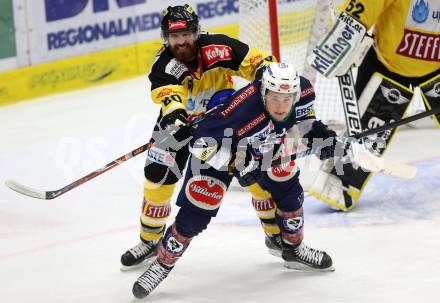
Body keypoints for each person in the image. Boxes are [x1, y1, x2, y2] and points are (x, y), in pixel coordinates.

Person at [131, 62, 339, 299]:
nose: (281, 106)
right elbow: (199, 145)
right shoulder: (238, 111)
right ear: (262, 92)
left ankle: (294, 249)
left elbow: (303, 122)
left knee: (289, 189)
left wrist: (323, 137)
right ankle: (162, 265)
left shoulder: (303, 91)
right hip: (218, 152)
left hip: (263, 146)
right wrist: (238, 163)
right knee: (195, 213)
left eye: (286, 98)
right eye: (274, 98)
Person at [120, 4, 279, 271]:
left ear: (195, 32)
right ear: (166, 37)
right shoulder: (163, 64)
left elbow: (260, 63)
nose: (180, 42)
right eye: (174, 37)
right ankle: (150, 241)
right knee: (158, 178)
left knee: (255, 173)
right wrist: (176, 116)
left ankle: (276, 236)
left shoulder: (219, 47)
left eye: (185, 35)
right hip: (178, 125)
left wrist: (264, 79)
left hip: (224, 124)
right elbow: (169, 96)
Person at [307, 0, 440, 211]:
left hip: (437, 70)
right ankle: (344, 177)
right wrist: (342, 40)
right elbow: (360, 10)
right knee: (341, 182)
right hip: (386, 66)